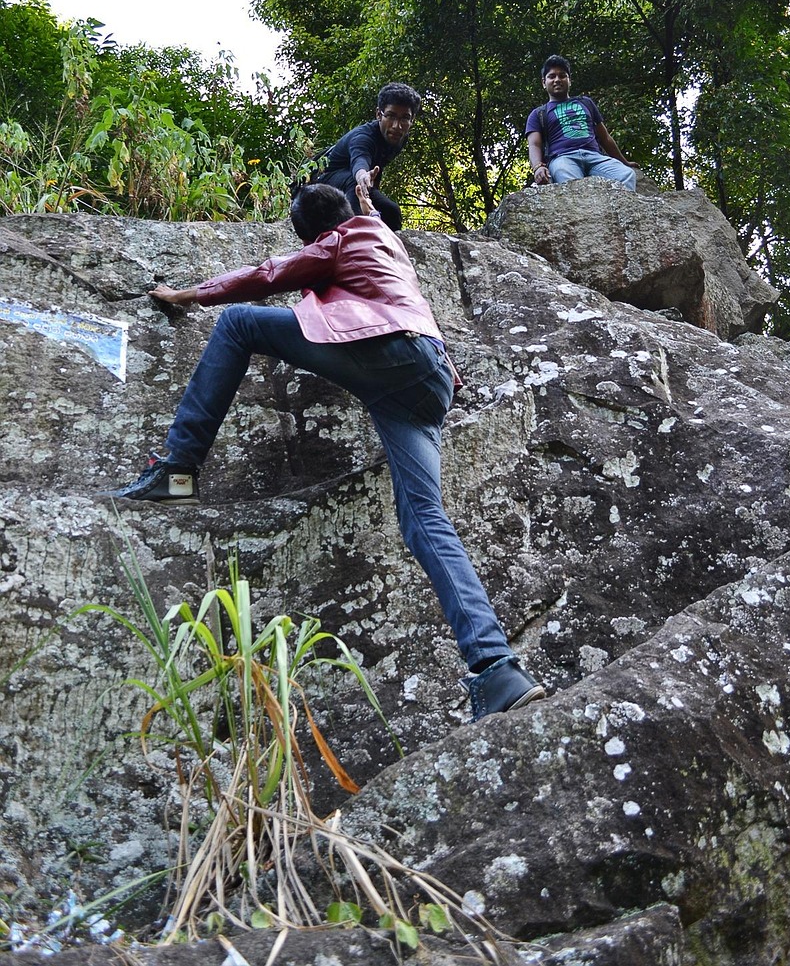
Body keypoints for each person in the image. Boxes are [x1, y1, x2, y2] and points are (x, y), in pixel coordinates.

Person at [100, 179, 544, 722]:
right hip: (426, 384)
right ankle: (496, 669)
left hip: (389, 351)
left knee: (239, 322)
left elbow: (268, 276)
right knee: (425, 519)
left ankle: (179, 468)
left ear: (313, 235)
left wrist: (189, 294)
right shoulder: (383, 236)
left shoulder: (341, 238)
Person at [313, 82, 421, 231]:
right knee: (355, 184)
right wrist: (363, 176)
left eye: (404, 119)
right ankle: (353, 234)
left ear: (412, 120)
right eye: (390, 116)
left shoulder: (399, 138)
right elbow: (360, 159)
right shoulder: (363, 137)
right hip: (323, 184)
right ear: (379, 114)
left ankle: (389, 248)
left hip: (355, 183)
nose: (397, 126)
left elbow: (378, 166)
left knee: (391, 210)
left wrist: (371, 188)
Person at [526, 55, 637, 191]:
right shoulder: (538, 114)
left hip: (594, 157)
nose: (557, 80)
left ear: (569, 80)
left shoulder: (586, 103)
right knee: (570, 183)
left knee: (626, 175)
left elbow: (605, 138)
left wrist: (624, 162)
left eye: (562, 76)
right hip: (563, 158)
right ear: (544, 82)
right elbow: (534, 144)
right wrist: (538, 167)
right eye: (552, 76)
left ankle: (619, 211)